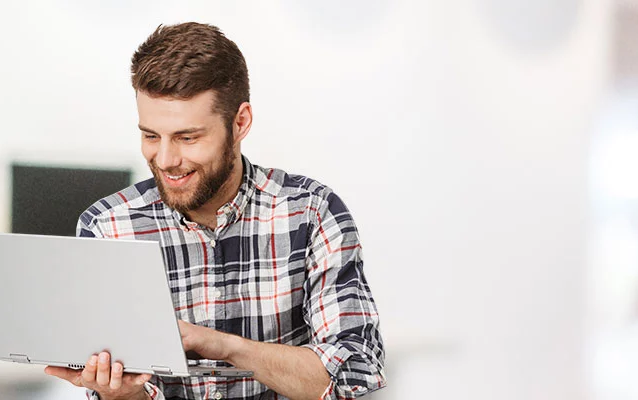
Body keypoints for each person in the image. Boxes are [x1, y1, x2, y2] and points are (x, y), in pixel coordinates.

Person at [42, 22, 385, 400]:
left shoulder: (312, 213)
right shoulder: (107, 227)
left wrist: (221, 345)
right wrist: (119, 392)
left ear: (240, 123)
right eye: (151, 136)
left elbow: (353, 374)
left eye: (188, 138)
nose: (167, 159)